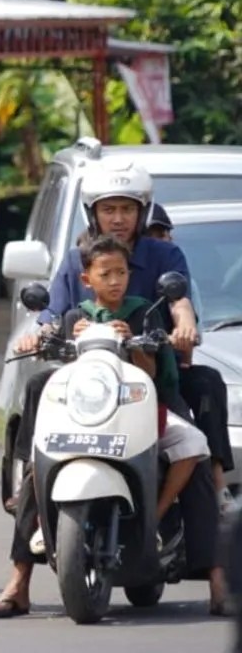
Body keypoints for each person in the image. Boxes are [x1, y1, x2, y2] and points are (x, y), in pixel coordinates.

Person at [0, 159, 228, 618]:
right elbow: (51, 314)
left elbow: (179, 303)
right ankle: (19, 580)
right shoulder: (75, 259)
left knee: (192, 451)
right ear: (92, 214)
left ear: (142, 211)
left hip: (145, 383)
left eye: (127, 209)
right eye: (108, 209)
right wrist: (40, 334)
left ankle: (218, 581)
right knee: (39, 431)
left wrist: (184, 326)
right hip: (88, 388)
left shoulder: (163, 256)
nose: (118, 218)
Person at [63, 235, 209, 523]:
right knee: (40, 448)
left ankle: (156, 515)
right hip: (88, 413)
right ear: (86, 279)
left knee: (193, 442)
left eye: (121, 272)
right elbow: (68, 372)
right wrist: (74, 339)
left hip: (135, 408)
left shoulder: (143, 312)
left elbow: (150, 373)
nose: (115, 281)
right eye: (105, 274)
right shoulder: (75, 318)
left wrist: (135, 342)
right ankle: (43, 524)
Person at [146, 202, 235, 504]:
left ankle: (216, 480)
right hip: (111, 378)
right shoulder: (108, 271)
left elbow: (187, 332)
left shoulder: (178, 282)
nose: (157, 242)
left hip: (164, 372)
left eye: (161, 235)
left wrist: (181, 341)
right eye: (149, 236)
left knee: (207, 382)